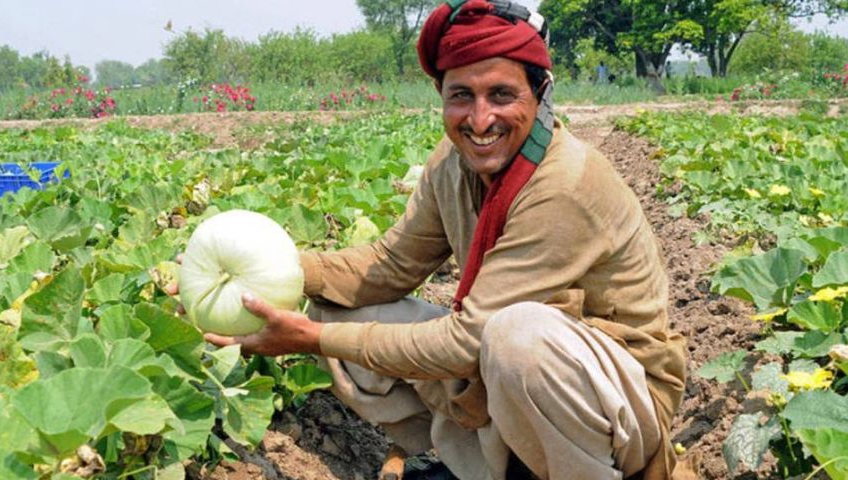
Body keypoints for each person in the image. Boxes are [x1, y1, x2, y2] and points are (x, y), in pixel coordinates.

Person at [198, 1, 687, 479]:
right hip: (511, 372)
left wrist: (312, 340)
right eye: (460, 96)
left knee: (516, 339)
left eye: (501, 95)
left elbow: (470, 340)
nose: (478, 120)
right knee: (337, 307)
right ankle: (493, 465)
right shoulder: (452, 165)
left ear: (541, 94)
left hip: (622, 403)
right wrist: (255, 275)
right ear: (441, 94)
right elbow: (389, 266)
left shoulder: (566, 186)